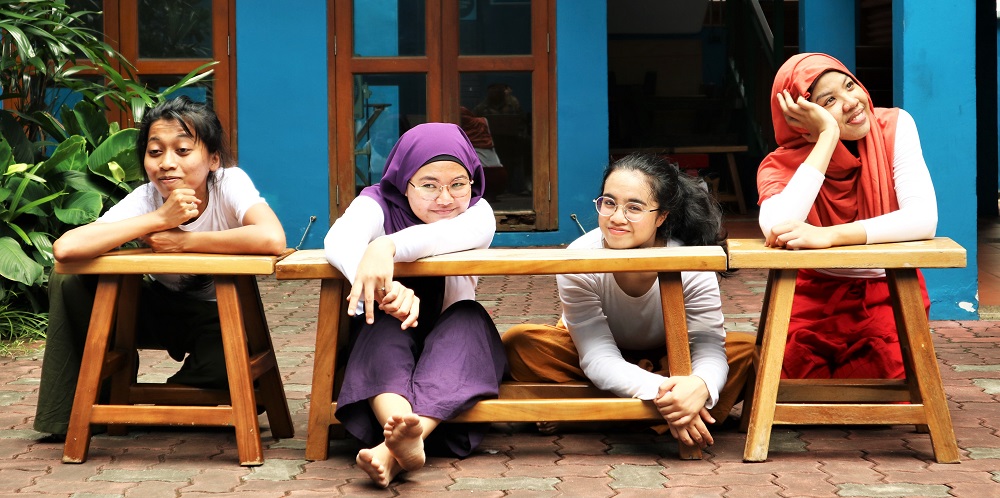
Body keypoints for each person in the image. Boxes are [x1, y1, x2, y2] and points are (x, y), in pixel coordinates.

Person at [34, 96, 286, 439]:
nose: (167, 163)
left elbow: (272, 238)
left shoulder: (228, 183)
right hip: (155, 308)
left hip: (216, 315)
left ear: (213, 159)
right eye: (155, 152)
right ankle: (86, 404)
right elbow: (66, 249)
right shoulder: (146, 198)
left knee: (227, 369)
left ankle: (154, 406)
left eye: (182, 151)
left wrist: (184, 242)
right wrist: (157, 218)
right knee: (69, 281)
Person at [502, 153, 755, 449]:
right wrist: (664, 390)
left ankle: (585, 413)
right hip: (598, 359)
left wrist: (699, 384)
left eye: (634, 207)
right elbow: (596, 355)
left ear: (662, 216)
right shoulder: (578, 256)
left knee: (745, 352)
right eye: (609, 203)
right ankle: (676, 410)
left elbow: (707, 344)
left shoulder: (690, 259)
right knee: (520, 343)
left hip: (672, 358)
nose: (617, 218)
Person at [323, 122, 504, 487]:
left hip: (452, 347)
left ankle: (396, 449)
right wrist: (388, 292)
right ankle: (402, 428)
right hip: (390, 338)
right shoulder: (374, 203)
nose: (445, 198)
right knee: (382, 325)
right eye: (429, 184)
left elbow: (442, 235)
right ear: (404, 181)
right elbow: (339, 240)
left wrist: (385, 247)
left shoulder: (478, 213)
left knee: (469, 319)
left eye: (458, 183)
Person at [757, 53, 938, 379]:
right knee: (794, 384)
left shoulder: (893, 127)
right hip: (812, 296)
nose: (852, 102)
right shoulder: (780, 164)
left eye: (850, 85)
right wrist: (826, 137)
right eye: (829, 100)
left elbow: (924, 218)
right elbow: (776, 226)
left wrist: (829, 236)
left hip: (889, 292)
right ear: (800, 119)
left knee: (879, 380)